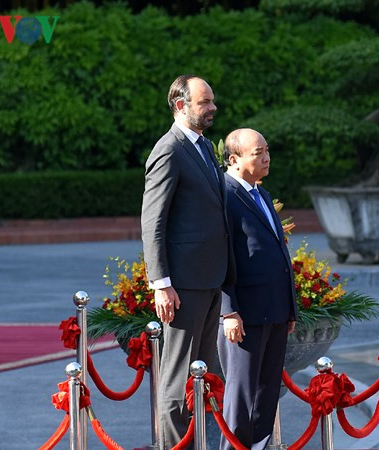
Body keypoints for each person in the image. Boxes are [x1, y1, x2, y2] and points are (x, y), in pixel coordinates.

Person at [141, 74, 235, 447]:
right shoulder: (169, 148)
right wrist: (161, 283)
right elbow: (153, 220)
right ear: (181, 105)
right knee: (177, 381)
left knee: (204, 376)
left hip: (210, 279)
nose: (212, 108)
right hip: (183, 284)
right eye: (205, 102)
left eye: (211, 101)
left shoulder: (201, 146)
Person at [218, 128, 298, 449]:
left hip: (274, 310)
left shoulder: (261, 193)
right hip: (245, 314)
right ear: (234, 159)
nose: (266, 157)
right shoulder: (223, 195)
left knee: (266, 397)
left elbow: (278, 251)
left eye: (266, 149)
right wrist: (228, 311)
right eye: (258, 152)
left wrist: (289, 307)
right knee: (241, 399)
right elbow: (220, 257)